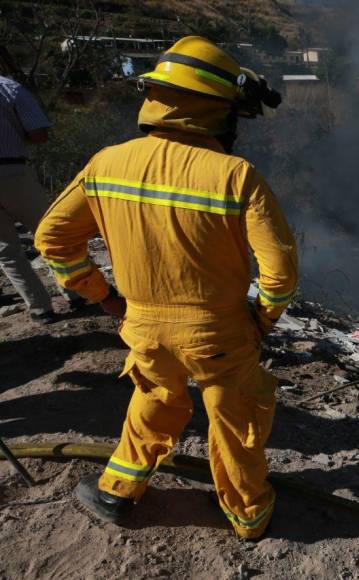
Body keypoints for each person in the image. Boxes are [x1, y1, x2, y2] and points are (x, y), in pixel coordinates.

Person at [35, 36, 297, 539]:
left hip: (143, 324)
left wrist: (103, 296)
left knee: (154, 398)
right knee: (233, 418)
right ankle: (249, 516)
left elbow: (52, 238)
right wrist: (261, 320)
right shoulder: (235, 176)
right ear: (216, 113)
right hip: (218, 333)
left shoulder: (106, 163)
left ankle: (117, 490)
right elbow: (280, 273)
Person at [0, 73, 69, 323]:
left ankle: (40, 309)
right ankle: (77, 291)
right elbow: (40, 135)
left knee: (7, 251)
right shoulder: (9, 88)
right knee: (51, 233)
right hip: (13, 171)